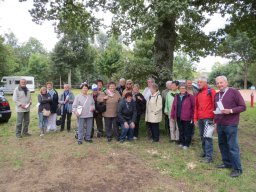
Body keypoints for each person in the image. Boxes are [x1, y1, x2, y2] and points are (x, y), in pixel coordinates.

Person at [214, 76, 246, 177]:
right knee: (222, 144)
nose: (219, 85)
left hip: (231, 124)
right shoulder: (217, 94)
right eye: (218, 83)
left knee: (232, 146)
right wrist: (215, 122)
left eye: (221, 83)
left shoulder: (234, 92)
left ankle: (237, 169)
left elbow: (243, 106)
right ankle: (227, 163)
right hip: (220, 124)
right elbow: (217, 109)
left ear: (226, 83)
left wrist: (230, 110)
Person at [194, 77, 216, 163]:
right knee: (202, 136)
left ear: (205, 83)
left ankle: (209, 157)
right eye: (198, 82)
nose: (199, 83)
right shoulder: (198, 93)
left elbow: (215, 105)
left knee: (208, 137)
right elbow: (196, 107)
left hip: (209, 118)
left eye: (201, 82)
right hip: (200, 118)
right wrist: (195, 118)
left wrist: (215, 118)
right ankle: (205, 152)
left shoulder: (211, 91)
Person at [171, 84, 195, 149]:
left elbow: (194, 108)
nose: (182, 89)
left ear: (186, 89)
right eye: (181, 88)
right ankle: (182, 142)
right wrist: (172, 116)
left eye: (184, 88)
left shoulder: (190, 96)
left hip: (187, 117)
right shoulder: (177, 96)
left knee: (187, 131)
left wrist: (193, 117)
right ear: (179, 89)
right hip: (178, 117)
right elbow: (173, 106)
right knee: (181, 130)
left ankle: (186, 144)